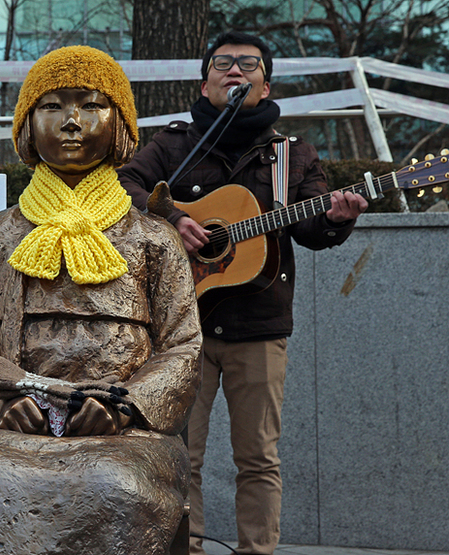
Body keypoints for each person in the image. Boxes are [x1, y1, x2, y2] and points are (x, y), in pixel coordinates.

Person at [0, 46, 202, 554]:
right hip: (6, 429)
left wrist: (126, 405)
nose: (73, 121)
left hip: (124, 435)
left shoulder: (154, 238)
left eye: (91, 105)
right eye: (52, 107)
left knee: (116, 486)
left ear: (119, 124)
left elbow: (182, 345)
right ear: (28, 125)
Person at [117, 31, 368, 555]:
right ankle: (188, 547)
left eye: (248, 65)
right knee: (181, 455)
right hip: (182, 328)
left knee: (257, 457)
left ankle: (257, 551)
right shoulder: (172, 145)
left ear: (266, 84)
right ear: (204, 82)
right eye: (223, 64)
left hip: (260, 324)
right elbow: (122, 187)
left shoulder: (290, 154)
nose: (235, 71)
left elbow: (312, 229)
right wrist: (172, 215)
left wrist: (339, 220)